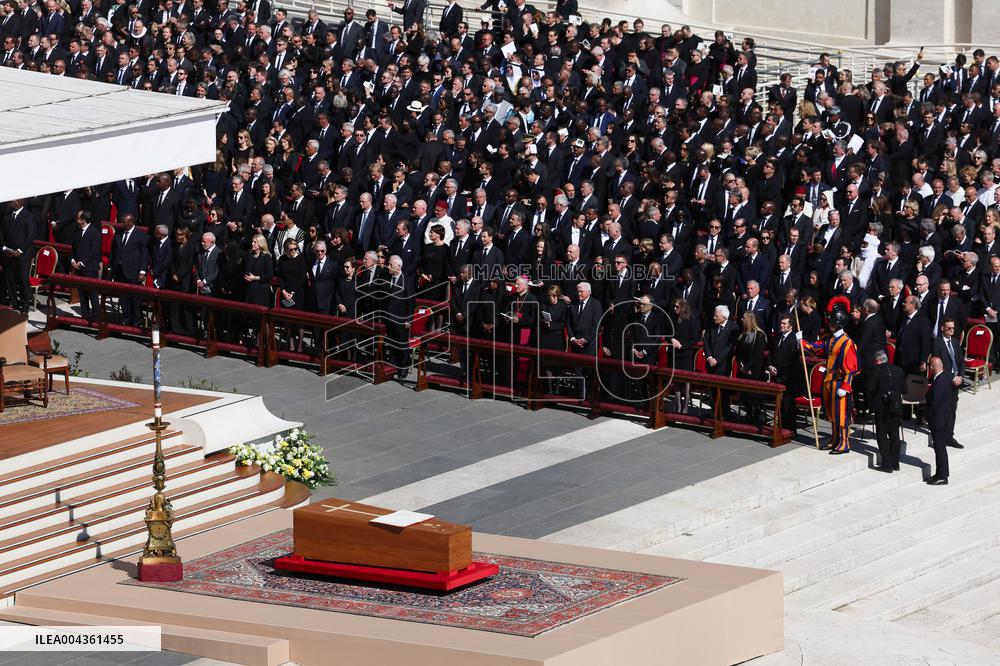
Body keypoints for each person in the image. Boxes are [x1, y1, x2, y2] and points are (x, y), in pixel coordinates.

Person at [801, 299, 859, 454]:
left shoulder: (847, 343)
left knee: (841, 415)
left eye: (832, 323)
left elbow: (851, 369)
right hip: (829, 380)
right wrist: (802, 342)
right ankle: (834, 440)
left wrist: (846, 387)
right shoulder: (830, 338)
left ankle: (844, 443)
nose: (829, 324)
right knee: (832, 414)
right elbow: (816, 348)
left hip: (840, 382)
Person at [931, 317, 964, 449]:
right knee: (942, 410)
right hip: (945, 381)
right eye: (949, 328)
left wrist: (960, 376)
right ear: (942, 328)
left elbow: (961, 361)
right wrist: (952, 378)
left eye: (953, 328)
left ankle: (949, 436)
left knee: (952, 409)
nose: (951, 330)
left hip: (956, 380)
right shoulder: (937, 343)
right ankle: (940, 436)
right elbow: (939, 365)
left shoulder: (955, 342)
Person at [870, 349, 904, 473]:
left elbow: (870, 387)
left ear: (877, 360)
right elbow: (904, 389)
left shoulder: (876, 370)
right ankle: (895, 463)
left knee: (882, 434)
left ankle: (887, 464)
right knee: (894, 435)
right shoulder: (898, 370)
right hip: (896, 406)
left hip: (882, 407)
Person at [768, 314, 801, 434]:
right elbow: (772, 353)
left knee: (788, 406)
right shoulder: (777, 337)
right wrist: (770, 365)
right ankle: (780, 426)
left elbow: (790, 360)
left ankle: (790, 430)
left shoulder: (794, 339)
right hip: (777, 375)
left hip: (788, 377)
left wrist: (779, 370)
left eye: (784, 324)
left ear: (791, 325)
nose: (781, 325)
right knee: (780, 404)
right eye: (781, 323)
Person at [925, 356, 952, 485]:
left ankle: (942, 476)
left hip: (938, 420)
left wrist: (927, 416)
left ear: (934, 367)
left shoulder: (939, 382)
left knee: (940, 449)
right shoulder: (945, 376)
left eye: (930, 365)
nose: (929, 368)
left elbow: (935, 404)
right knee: (939, 448)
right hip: (942, 419)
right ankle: (940, 473)